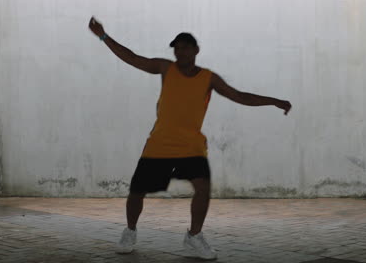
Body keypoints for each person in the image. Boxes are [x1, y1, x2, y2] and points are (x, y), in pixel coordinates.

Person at [88, 16, 292, 260]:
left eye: (185, 47)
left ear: (196, 50)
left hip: (191, 146)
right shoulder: (166, 68)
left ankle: (194, 237)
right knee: (137, 192)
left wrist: (274, 101)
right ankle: (129, 232)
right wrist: (103, 36)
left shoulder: (209, 78)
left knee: (203, 188)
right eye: (176, 47)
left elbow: (239, 96)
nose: (180, 51)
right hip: (160, 144)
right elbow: (133, 58)